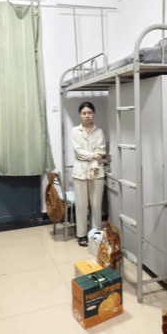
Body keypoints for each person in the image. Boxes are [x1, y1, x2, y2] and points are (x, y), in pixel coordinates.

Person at [71, 102, 106, 247]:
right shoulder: (75, 131)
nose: (87, 115)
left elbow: (100, 151)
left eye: (90, 112)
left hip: (97, 172)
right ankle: (81, 234)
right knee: (81, 206)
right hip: (79, 171)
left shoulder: (99, 132)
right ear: (80, 115)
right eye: (84, 113)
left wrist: (93, 169)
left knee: (96, 206)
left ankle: (95, 234)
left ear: (93, 114)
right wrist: (93, 156)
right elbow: (78, 151)